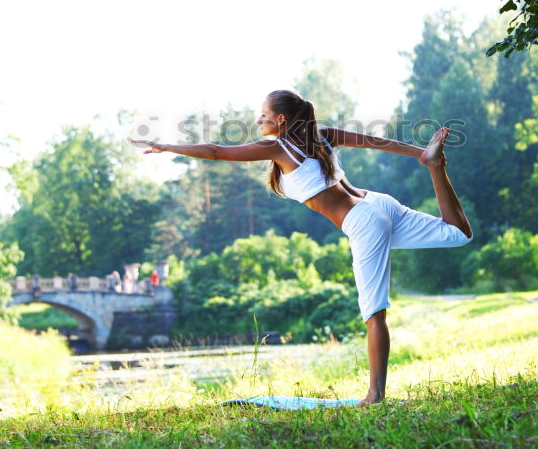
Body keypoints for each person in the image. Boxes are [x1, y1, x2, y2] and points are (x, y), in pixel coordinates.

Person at [133, 89, 472, 404]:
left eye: (263, 115)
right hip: (376, 203)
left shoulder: (278, 147)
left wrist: (165, 146)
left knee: (373, 313)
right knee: (458, 233)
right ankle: (434, 168)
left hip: (364, 221)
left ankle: (375, 395)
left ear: (281, 119)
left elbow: (215, 152)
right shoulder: (320, 135)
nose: (258, 121)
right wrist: (422, 155)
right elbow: (378, 142)